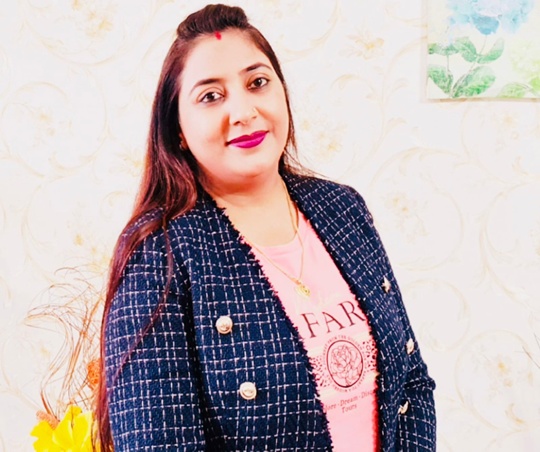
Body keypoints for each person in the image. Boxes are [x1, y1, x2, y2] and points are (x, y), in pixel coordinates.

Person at [97, 4, 436, 451]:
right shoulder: (158, 251)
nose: (243, 111)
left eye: (257, 83)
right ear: (177, 128)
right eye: (210, 96)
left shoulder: (343, 209)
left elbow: (413, 383)